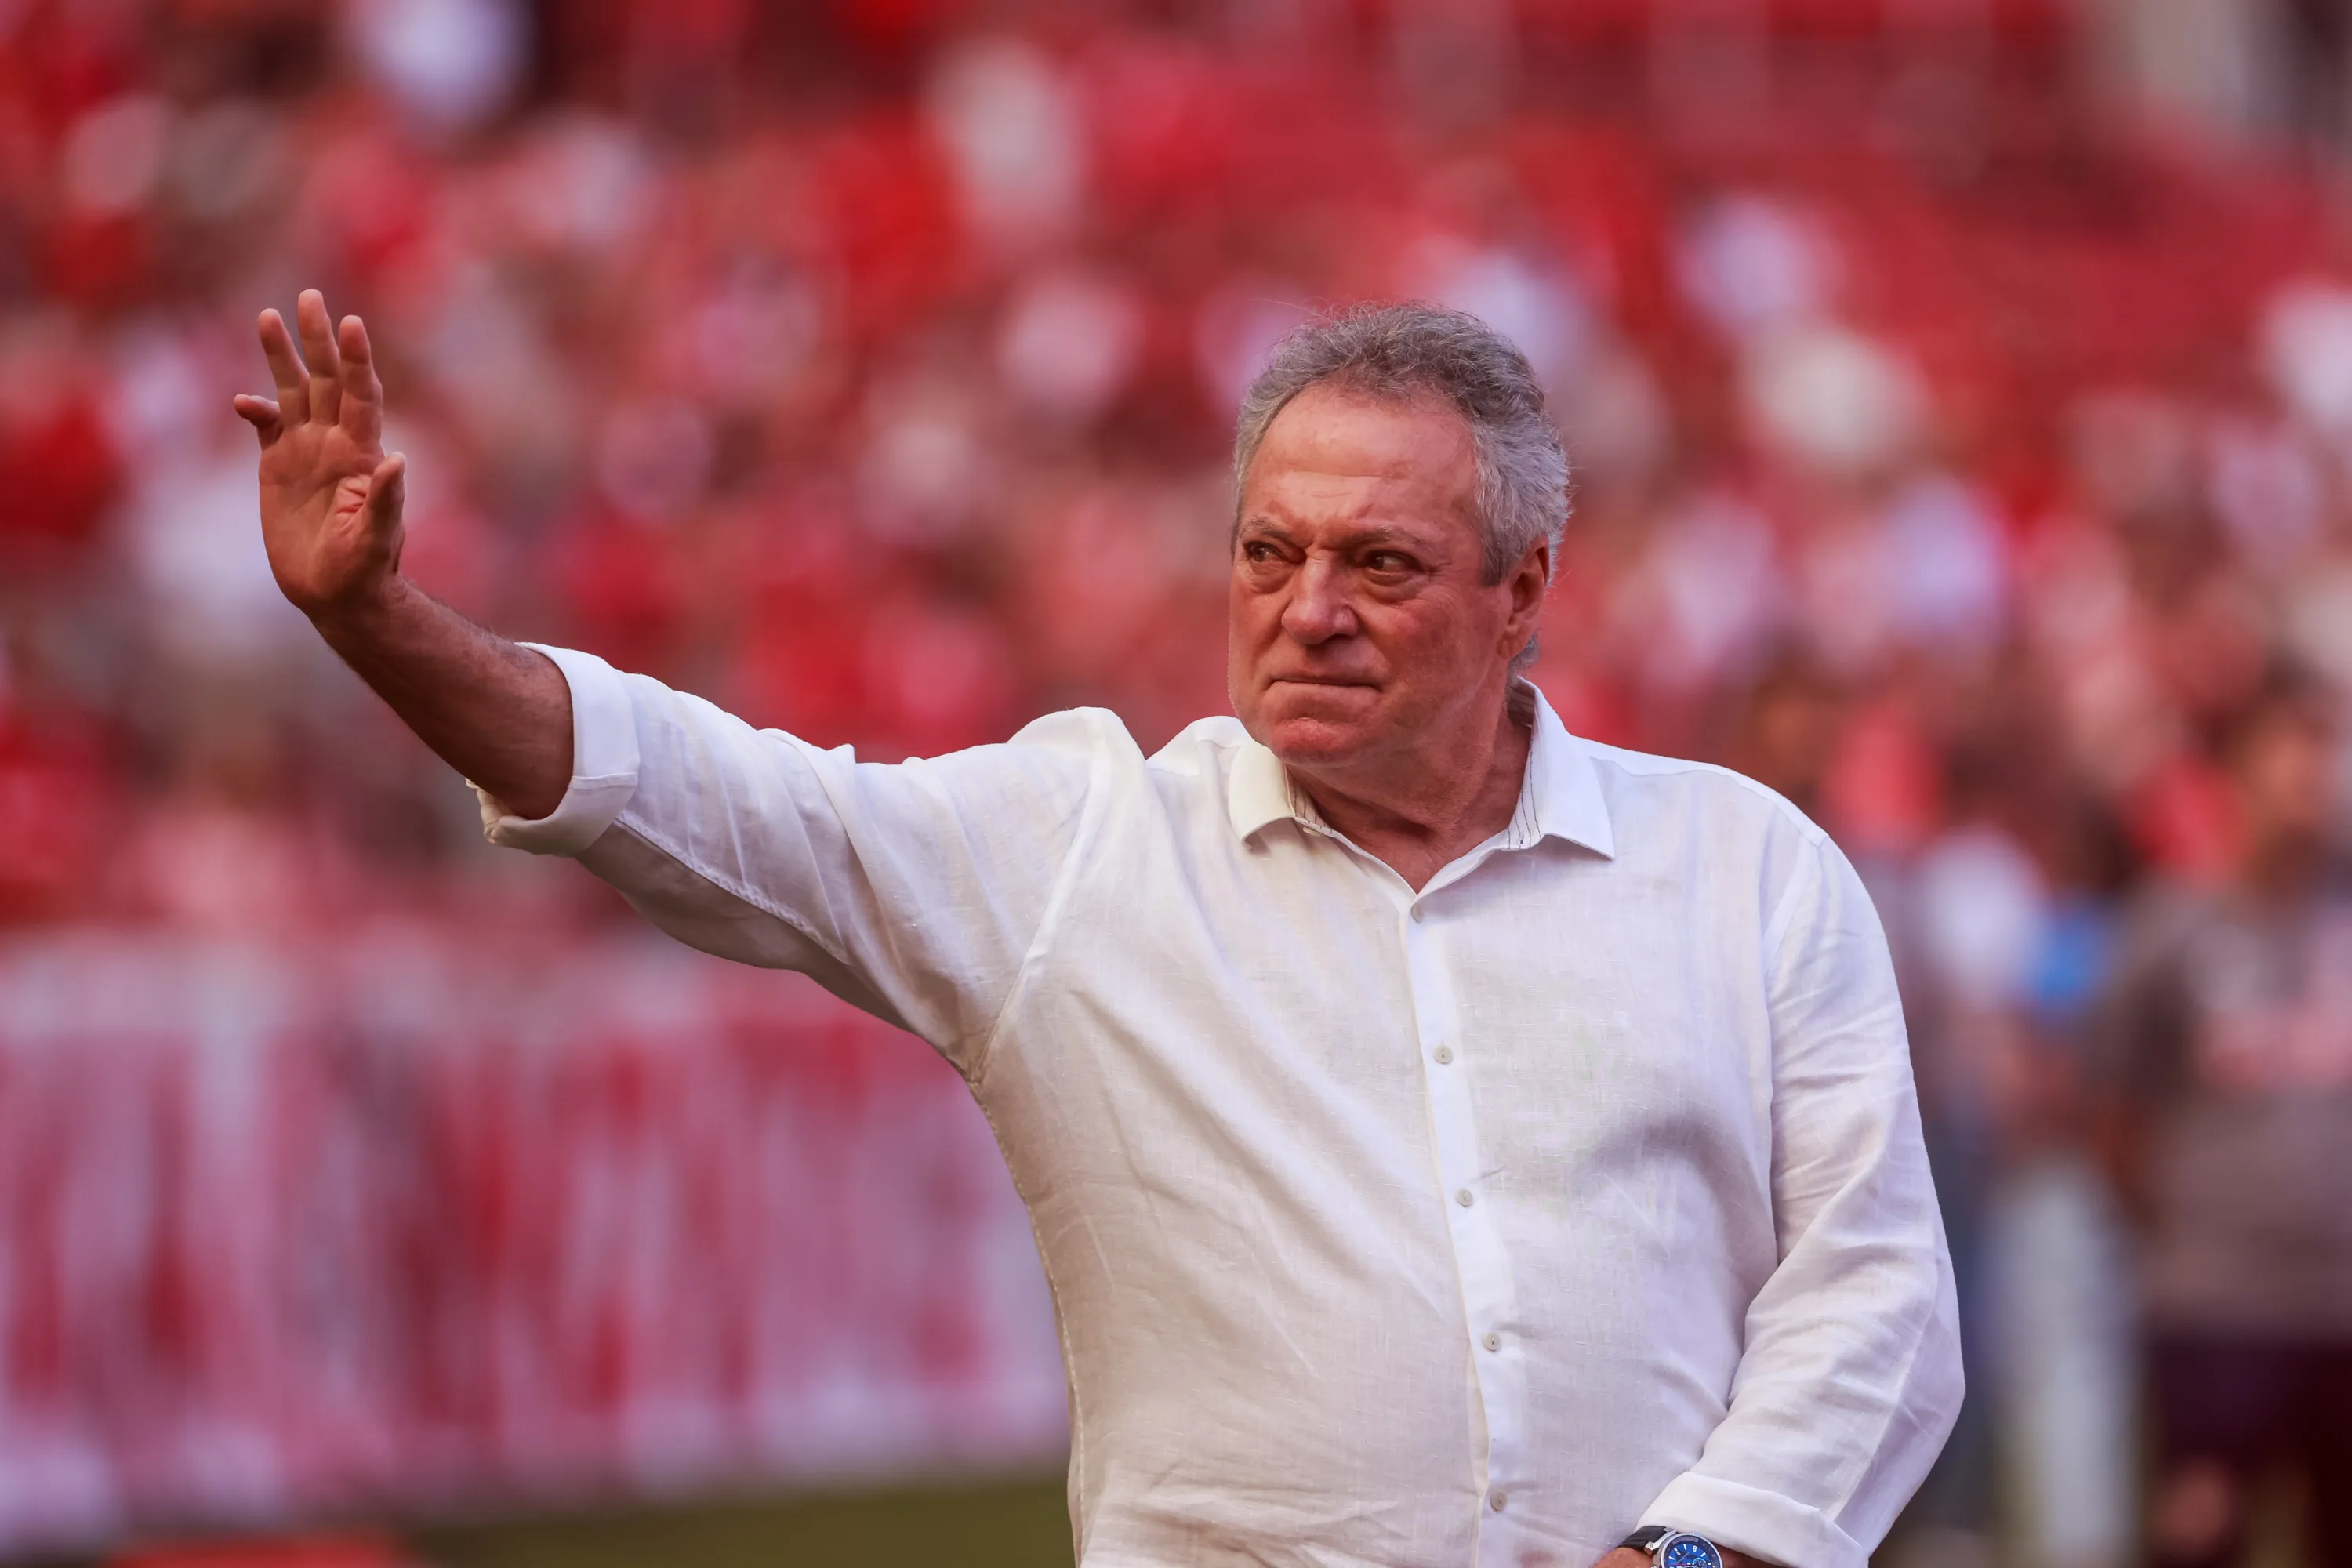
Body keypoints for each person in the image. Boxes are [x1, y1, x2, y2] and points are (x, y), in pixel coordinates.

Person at [236, 289, 1961, 1568]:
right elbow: (711, 799)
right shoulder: (1083, 850)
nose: (1309, 611)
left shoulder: (1745, 865)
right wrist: (384, 625)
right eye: (1268, 550)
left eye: (1381, 565)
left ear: (1523, 591)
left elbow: (1875, 1285)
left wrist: (1706, 1552)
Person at [2091, 674, 2352, 1568]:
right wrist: (2175, 1230)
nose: (2312, 778)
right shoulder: (2174, 926)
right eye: (2290, 752)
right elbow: (2113, 1107)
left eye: (2327, 753)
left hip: (2342, 1297)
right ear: (2236, 772)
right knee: (2201, 1526)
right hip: (2216, 1295)